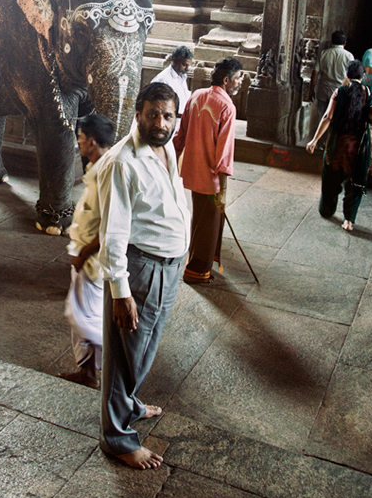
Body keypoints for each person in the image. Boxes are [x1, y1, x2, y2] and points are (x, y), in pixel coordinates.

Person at [97, 82, 190, 470]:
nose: (161, 122)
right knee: (125, 354)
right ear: (138, 113)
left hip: (169, 265)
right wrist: (121, 292)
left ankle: (130, 404)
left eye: (168, 115)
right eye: (153, 114)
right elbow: (113, 233)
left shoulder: (164, 147)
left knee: (144, 347)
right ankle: (117, 438)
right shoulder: (123, 162)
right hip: (141, 269)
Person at [174, 57, 243, 285]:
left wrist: (171, 161)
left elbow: (180, 136)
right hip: (212, 177)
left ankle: (194, 261)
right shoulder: (227, 106)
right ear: (226, 80)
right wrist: (222, 190)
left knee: (199, 218)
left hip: (192, 171)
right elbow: (224, 153)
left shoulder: (196, 95)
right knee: (209, 223)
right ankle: (197, 271)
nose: (240, 82)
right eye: (238, 78)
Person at [59, 114, 115, 389]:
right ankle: (88, 373)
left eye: (80, 139)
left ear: (92, 142)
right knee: (81, 319)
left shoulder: (107, 175)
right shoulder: (96, 169)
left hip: (92, 263)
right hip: (84, 260)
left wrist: (84, 254)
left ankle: (120, 352)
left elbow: (109, 227)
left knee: (80, 317)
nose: (78, 144)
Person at [306, 59, 372, 232]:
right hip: (359, 147)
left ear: (346, 76)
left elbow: (327, 117)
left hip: (337, 145)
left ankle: (326, 210)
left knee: (330, 179)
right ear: (363, 77)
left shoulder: (339, 92)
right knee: (355, 182)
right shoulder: (371, 93)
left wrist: (314, 140)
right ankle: (349, 220)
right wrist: (371, 132)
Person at [309, 30, 354, 121]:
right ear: (345, 43)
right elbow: (351, 77)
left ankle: (323, 135)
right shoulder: (349, 56)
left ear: (332, 41)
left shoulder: (323, 53)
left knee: (322, 119)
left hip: (323, 91)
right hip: (340, 92)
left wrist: (311, 90)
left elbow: (315, 73)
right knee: (337, 119)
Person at [150, 45, 193, 128]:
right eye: (184, 65)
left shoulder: (182, 77)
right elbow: (157, 108)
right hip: (166, 126)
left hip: (180, 125)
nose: (187, 69)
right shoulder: (162, 80)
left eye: (189, 65)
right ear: (174, 61)